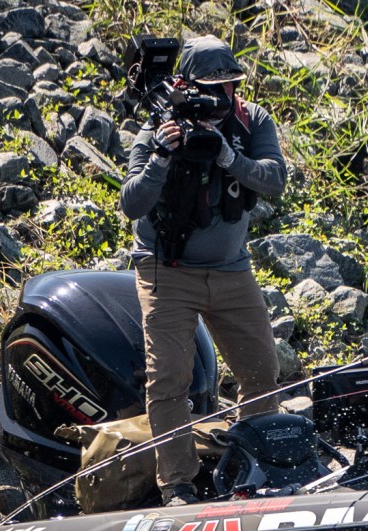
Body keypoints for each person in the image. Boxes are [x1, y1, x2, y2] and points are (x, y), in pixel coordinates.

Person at [120, 35, 287, 506]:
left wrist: (229, 157)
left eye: (229, 85)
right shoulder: (159, 126)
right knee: (169, 379)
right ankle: (177, 485)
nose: (221, 97)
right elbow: (131, 203)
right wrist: (161, 156)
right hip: (166, 269)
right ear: (186, 87)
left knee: (262, 370)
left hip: (232, 270)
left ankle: (256, 469)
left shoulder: (251, 121)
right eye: (210, 88)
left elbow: (275, 179)